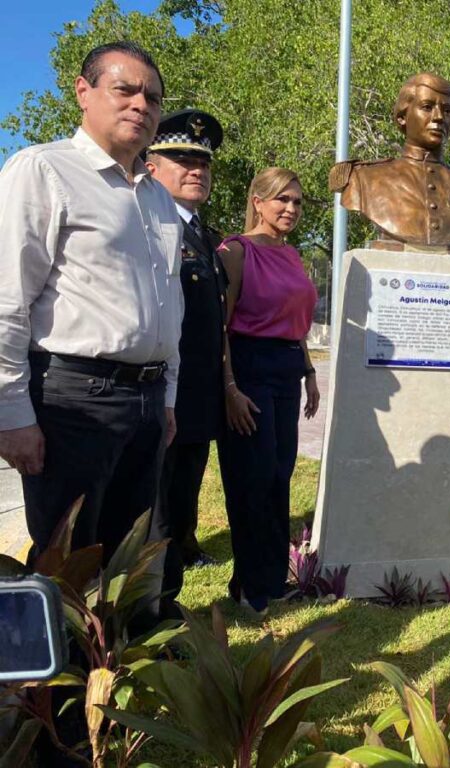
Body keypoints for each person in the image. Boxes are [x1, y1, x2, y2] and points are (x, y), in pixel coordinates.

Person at [0, 41, 183, 561]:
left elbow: (171, 307)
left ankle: (118, 645)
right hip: (74, 401)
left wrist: (166, 399)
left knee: (128, 555)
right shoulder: (43, 171)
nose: (141, 105)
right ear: (84, 92)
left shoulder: (157, 198)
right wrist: (11, 413)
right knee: (69, 558)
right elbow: (7, 297)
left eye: (152, 97)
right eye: (124, 89)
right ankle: (64, 646)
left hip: (145, 402)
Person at [217, 167, 319, 615]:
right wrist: (229, 388)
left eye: (297, 202)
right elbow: (218, 328)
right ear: (257, 201)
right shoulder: (235, 252)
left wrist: (310, 371)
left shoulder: (292, 255)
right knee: (251, 480)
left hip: (286, 372)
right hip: (249, 368)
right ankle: (248, 586)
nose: (291, 209)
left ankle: (275, 580)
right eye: (281, 200)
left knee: (279, 477)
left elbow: (296, 321)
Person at [145, 109, 226, 620]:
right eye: (181, 158)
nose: (194, 168)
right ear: (152, 165)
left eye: (202, 161)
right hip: (158, 394)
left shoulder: (204, 235)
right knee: (154, 510)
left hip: (197, 396)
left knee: (180, 501)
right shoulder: (150, 224)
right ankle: (148, 607)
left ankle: (166, 600)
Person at [330, 72, 450, 252]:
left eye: (447, 110)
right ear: (402, 117)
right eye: (427, 107)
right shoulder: (362, 178)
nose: (439, 117)